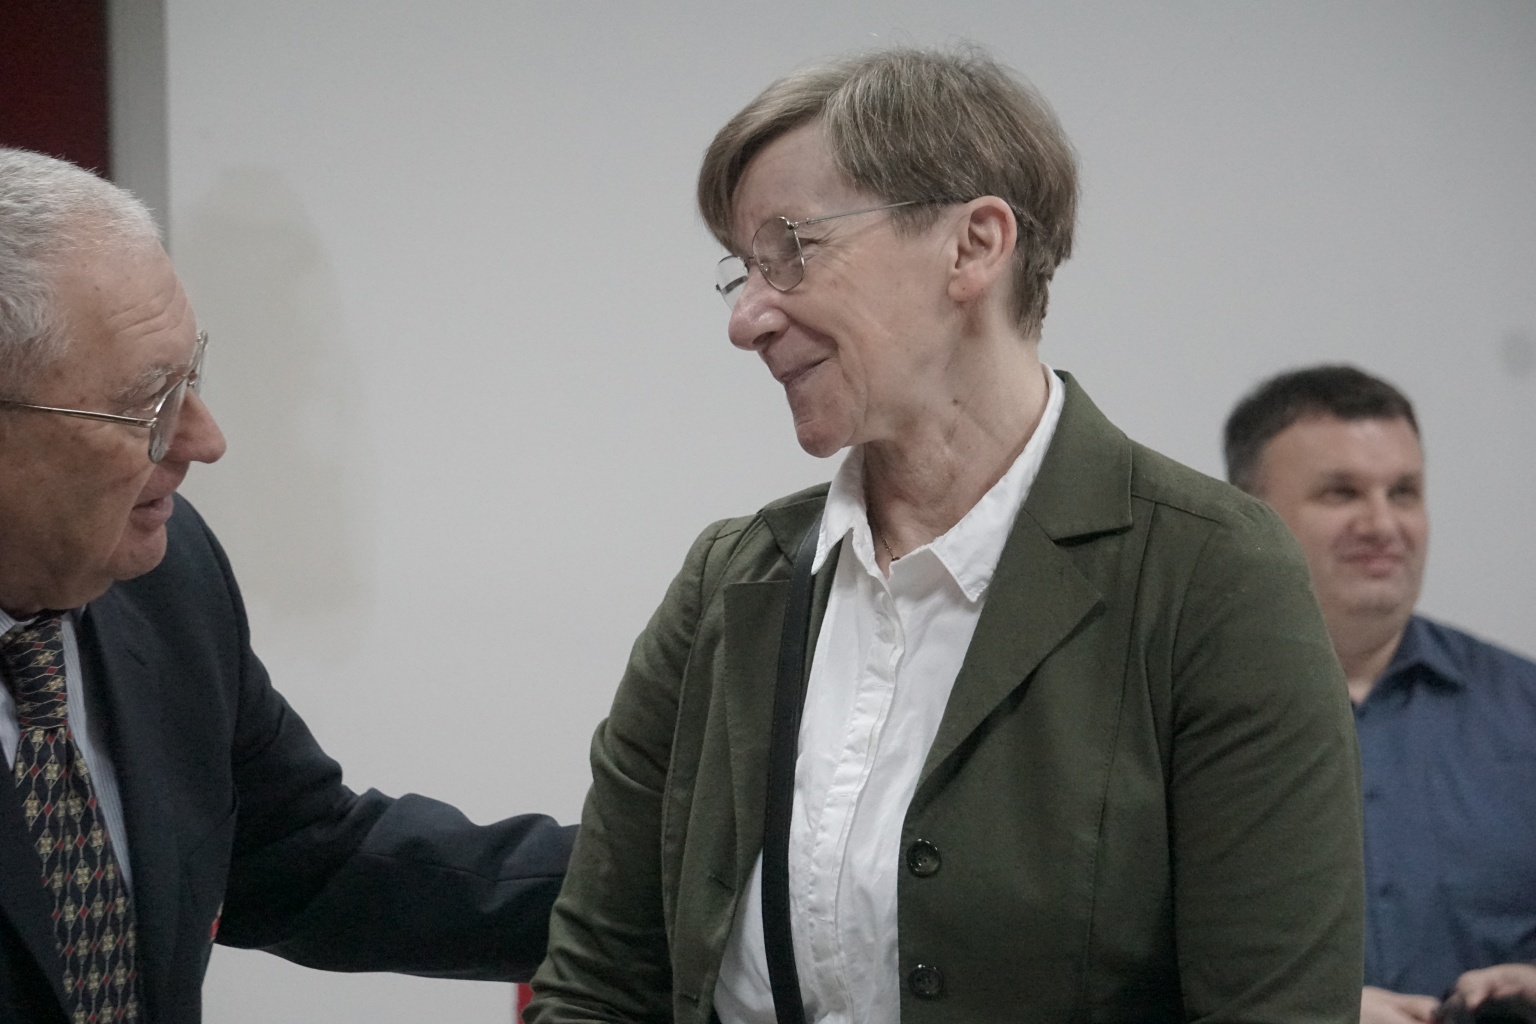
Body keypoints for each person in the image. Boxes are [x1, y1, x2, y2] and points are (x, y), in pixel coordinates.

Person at [528, 46, 1363, 1023]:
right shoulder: (729, 581)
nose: (747, 320)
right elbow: (598, 983)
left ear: (973, 246)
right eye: (742, 271)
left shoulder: (1210, 574)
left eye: (789, 248)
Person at [0, 147, 574, 1024]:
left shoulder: (164, 579)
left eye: (191, 379)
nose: (205, 439)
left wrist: (692, 887)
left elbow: (304, 854)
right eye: (149, 404)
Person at [1224, 365, 1536, 1024]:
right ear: (1247, 515)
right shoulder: (1164, 715)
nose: (1382, 523)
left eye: (1404, 492)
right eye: (1341, 493)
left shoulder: (1524, 707)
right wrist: (1308, 1013)